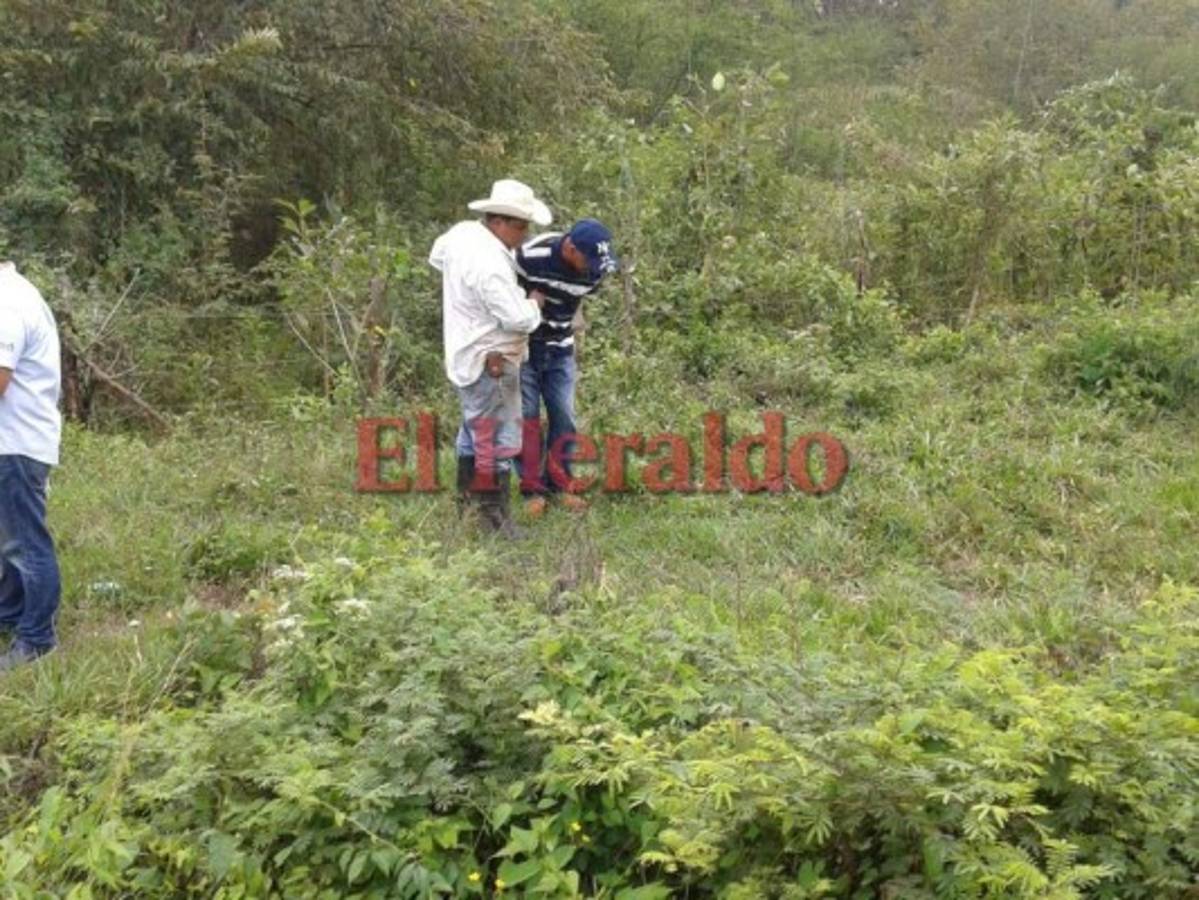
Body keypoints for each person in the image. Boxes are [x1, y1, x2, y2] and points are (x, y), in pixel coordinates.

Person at [428, 179, 551, 536]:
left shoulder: (461, 235)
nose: (525, 235)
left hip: (467, 350)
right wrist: (534, 304)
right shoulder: (489, 264)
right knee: (495, 439)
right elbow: (517, 318)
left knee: (473, 431)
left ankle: (468, 508)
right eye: (521, 226)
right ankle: (493, 522)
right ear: (499, 221)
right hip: (491, 359)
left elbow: (436, 257)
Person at [514, 219, 618, 515]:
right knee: (528, 417)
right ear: (570, 248)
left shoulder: (595, 270)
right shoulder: (529, 257)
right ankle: (532, 489)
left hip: (560, 349)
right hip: (524, 348)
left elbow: (577, 303)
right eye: (589, 260)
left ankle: (561, 484)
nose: (595, 269)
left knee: (565, 416)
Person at [0, 260, 63, 671]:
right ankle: (10, 617)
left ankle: (38, 639)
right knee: (9, 543)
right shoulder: (16, 292)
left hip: (16, 443)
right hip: (15, 442)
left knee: (25, 544)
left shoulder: (6, 302)